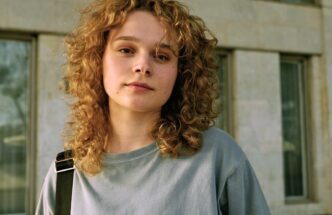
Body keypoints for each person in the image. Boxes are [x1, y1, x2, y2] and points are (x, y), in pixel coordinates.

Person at [35, 0, 271, 214]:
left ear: (181, 72)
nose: (143, 66)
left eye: (161, 56)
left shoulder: (217, 157)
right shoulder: (65, 176)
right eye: (126, 50)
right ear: (97, 60)